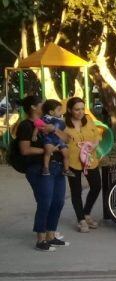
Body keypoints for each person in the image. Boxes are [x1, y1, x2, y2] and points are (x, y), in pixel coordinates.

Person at [17, 96, 69, 251]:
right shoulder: (26, 125)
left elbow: (67, 138)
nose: (45, 106)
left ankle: (51, 235)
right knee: (45, 202)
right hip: (39, 168)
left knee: (58, 201)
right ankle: (40, 238)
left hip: (58, 167)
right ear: (33, 107)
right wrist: (47, 150)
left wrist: (55, 130)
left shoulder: (51, 121)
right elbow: (25, 150)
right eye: (42, 104)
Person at [63, 97, 103, 233]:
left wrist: (94, 146)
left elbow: (97, 136)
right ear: (69, 110)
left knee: (97, 186)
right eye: (76, 109)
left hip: (90, 159)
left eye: (82, 109)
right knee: (76, 191)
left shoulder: (88, 119)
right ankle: (81, 220)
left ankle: (86, 213)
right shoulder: (63, 124)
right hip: (72, 161)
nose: (80, 112)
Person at [35, 99, 74, 177]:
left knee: (66, 153)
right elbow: (38, 125)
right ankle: (46, 168)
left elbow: (66, 132)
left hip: (59, 140)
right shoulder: (46, 118)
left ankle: (66, 169)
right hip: (49, 139)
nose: (61, 112)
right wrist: (34, 135)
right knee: (48, 151)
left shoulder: (61, 121)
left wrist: (69, 135)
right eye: (59, 110)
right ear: (51, 112)